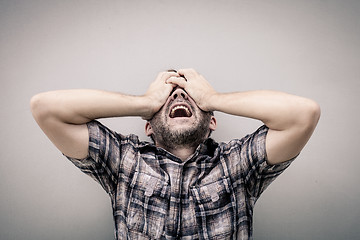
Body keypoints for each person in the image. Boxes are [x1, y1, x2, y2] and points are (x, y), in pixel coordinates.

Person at [30, 68, 320, 240]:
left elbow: (303, 114)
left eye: (190, 95)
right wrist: (143, 102)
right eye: (168, 96)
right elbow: (45, 108)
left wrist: (213, 98)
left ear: (212, 124)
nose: (179, 96)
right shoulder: (124, 160)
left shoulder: (236, 165)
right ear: (148, 126)